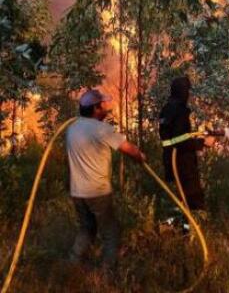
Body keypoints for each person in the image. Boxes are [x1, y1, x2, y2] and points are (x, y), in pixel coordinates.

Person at [65, 88, 145, 271]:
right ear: (95, 108)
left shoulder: (72, 128)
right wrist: (140, 156)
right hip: (97, 192)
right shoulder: (102, 129)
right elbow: (129, 150)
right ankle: (107, 272)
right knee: (111, 232)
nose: (106, 108)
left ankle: (72, 264)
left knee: (87, 229)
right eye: (103, 105)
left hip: (77, 192)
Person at [159, 76, 215, 211]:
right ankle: (193, 228)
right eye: (187, 91)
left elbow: (175, 136)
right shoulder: (180, 111)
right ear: (182, 92)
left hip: (170, 161)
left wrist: (195, 136)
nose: (189, 94)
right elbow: (179, 140)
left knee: (179, 201)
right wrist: (202, 142)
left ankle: (179, 229)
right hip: (183, 164)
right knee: (194, 201)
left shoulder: (167, 109)